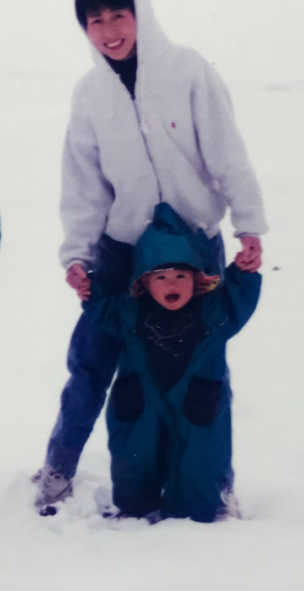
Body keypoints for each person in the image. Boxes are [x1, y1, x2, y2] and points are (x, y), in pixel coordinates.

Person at [33, 0, 268, 513]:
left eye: (119, 15)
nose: (110, 30)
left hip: (194, 247)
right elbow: (84, 182)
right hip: (122, 251)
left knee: (205, 368)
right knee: (91, 361)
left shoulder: (187, 71)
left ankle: (217, 480)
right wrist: (78, 254)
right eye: (96, 21)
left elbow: (227, 152)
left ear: (141, 13)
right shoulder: (90, 93)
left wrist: (248, 224)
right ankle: (59, 467)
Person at [85, 203, 260, 523]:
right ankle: (134, 506)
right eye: (161, 277)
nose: (172, 284)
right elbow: (103, 311)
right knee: (134, 455)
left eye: (181, 275)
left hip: (198, 402)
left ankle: (197, 510)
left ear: (198, 280)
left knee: (200, 459)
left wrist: (245, 274)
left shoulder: (213, 313)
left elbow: (238, 304)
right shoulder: (130, 311)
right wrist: (88, 289)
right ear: (144, 283)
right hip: (141, 401)